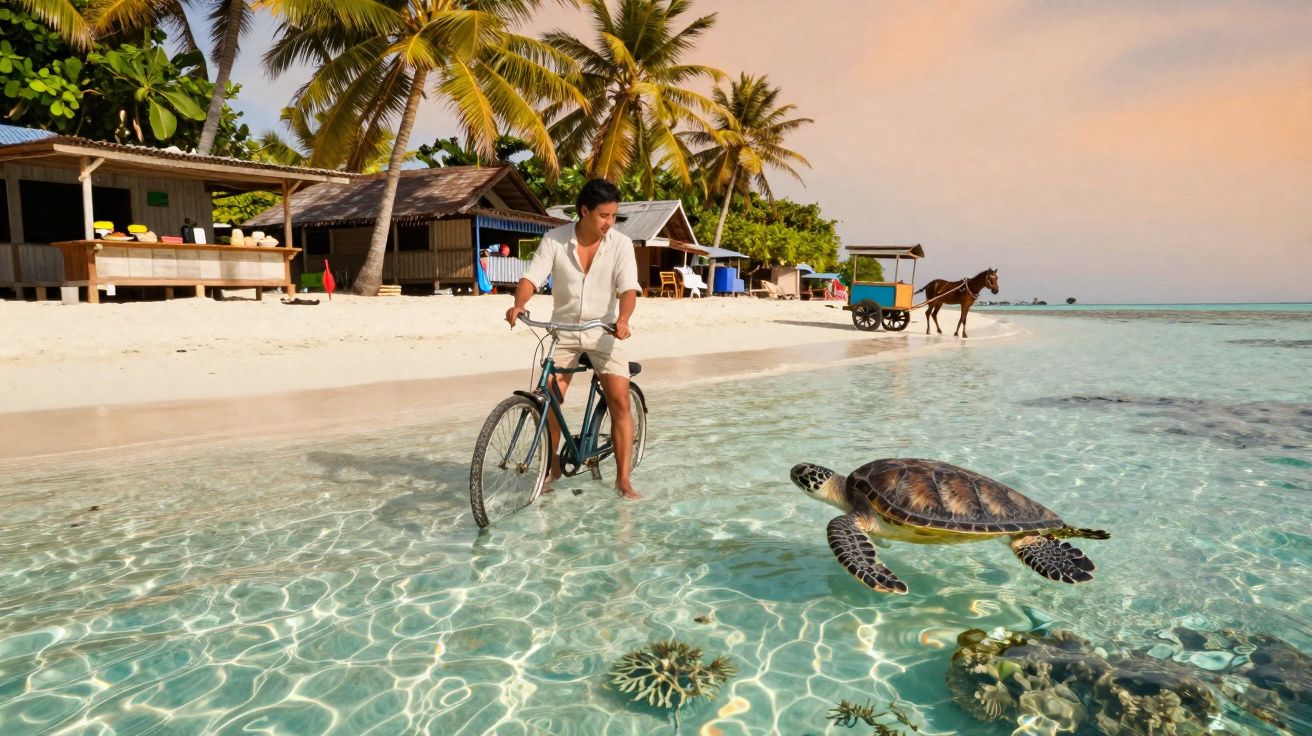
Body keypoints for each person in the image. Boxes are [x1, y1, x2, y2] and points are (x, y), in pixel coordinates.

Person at [505, 179, 642, 500]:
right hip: (563, 332)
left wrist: (623, 320)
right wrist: (519, 303)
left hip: (604, 332)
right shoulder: (555, 240)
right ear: (584, 212)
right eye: (604, 215)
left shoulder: (621, 244)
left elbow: (628, 289)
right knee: (548, 399)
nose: (609, 222)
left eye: (613, 216)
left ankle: (623, 481)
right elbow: (531, 277)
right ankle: (552, 469)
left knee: (619, 401)